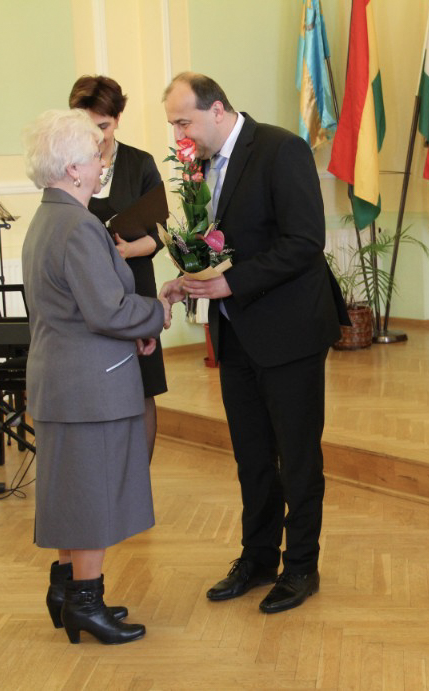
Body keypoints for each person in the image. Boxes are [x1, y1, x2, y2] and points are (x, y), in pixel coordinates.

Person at [159, 72, 348, 614]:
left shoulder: (280, 149)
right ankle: (259, 558)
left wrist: (231, 283)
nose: (179, 136)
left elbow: (304, 241)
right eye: (174, 125)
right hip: (235, 330)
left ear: (217, 110)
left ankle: (302, 566)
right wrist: (191, 277)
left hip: (289, 330)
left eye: (184, 122)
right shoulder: (199, 165)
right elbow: (219, 245)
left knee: (298, 458)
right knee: (252, 457)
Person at [21, 109, 171, 645]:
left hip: (61, 379)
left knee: (70, 490)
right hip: (91, 387)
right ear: (72, 168)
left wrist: (136, 329)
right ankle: (86, 603)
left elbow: (75, 306)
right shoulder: (79, 226)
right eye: (93, 154)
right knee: (92, 495)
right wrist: (156, 313)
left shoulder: (47, 219)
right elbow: (106, 310)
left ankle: (67, 591)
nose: (102, 162)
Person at [69, 75, 167, 461]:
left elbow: (160, 232)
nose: (96, 135)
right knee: (97, 381)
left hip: (134, 284)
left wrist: (124, 252)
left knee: (143, 386)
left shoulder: (139, 163)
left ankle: (139, 479)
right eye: (87, 126)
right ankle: (105, 475)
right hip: (90, 289)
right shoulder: (69, 163)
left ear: (118, 118)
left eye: (103, 125)